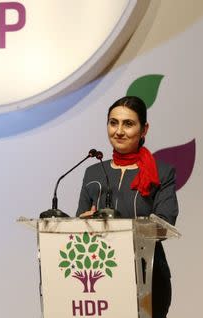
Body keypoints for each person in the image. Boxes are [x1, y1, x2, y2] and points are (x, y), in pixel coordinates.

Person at [76, 96, 178, 318]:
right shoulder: (92, 173)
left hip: (148, 276)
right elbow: (79, 222)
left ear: (144, 130)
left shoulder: (161, 172)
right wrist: (82, 223)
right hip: (100, 276)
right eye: (113, 123)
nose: (119, 131)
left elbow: (165, 220)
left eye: (128, 124)